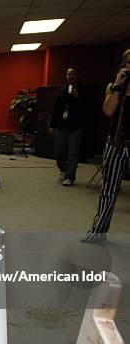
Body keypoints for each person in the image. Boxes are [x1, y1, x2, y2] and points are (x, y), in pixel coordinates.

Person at [85, 49, 130, 241]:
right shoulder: (114, 86)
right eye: (128, 63)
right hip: (116, 144)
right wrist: (118, 87)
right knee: (108, 191)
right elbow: (108, 111)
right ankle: (98, 232)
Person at [50, 67, 87, 186]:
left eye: (72, 74)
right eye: (68, 74)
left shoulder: (84, 91)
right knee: (58, 152)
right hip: (61, 125)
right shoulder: (62, 90)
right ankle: (63, 169)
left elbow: (88, 110)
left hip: (75, 127)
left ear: (77, 76)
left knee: (73, 153)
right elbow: (56, 109)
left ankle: (70, 176)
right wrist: (52, 125)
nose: (69, 76)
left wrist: (78, 98)